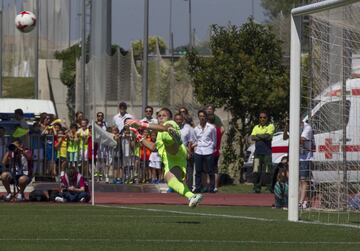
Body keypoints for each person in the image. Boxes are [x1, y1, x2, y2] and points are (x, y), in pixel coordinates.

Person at [125, 107, 203, 208]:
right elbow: (153, 147)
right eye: (159, 116)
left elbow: (166, 128)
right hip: (171, 159)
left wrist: (141, 124)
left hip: (175, 151)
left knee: (167, 138)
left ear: (169, 117)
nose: (161, 117)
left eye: (164, 115)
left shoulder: (170, 123)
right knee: (171, 181)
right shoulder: (158, 133)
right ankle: (192, 196)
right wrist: (137, 135)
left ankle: (176, 140)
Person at [192, 110, 217, 193]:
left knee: (210, 170)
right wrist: (196, 148)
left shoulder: (211, 128)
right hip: (199, 151)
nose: (202, 118)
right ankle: (198, 187)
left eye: (203, 116)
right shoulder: (195, 129)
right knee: (198, 171)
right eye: (200, 116)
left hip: (208, 150)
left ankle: (212, 187)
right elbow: (195, 140)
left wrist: (212, 148)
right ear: (198, 117)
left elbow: (214, 140)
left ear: (206, 117)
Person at [251, 112, 275, 193]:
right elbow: (252, 137)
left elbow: (268, 137)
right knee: (256, 170)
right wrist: (263, 136)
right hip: (257, 153)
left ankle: (269, 188)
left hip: (267, 152)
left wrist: (258, 136)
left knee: (268, 170)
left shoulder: (270, 126)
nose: (262, 119)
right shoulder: (256, 127)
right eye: (261, 117)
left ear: (267, 118)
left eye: (264, 117)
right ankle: (256, 188)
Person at [174, 112, 195, 190]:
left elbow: (190, 141)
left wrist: (189, 152)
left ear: (183, 120)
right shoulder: (171, 128)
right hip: (175, 152)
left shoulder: (187, 128)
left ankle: (189, 187)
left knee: (188, 170)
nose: (178, 121)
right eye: (177, 119)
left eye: (180, 119)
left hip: (185, 151)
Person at [299, 121, 315, 209]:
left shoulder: (307, 127)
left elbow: (301, 140)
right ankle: (302, 201)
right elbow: (285, 137)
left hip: (305, 158)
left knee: (304, 180)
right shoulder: (294, 127)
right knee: (299, 181)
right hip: (297, 158)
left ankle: (301, 202)